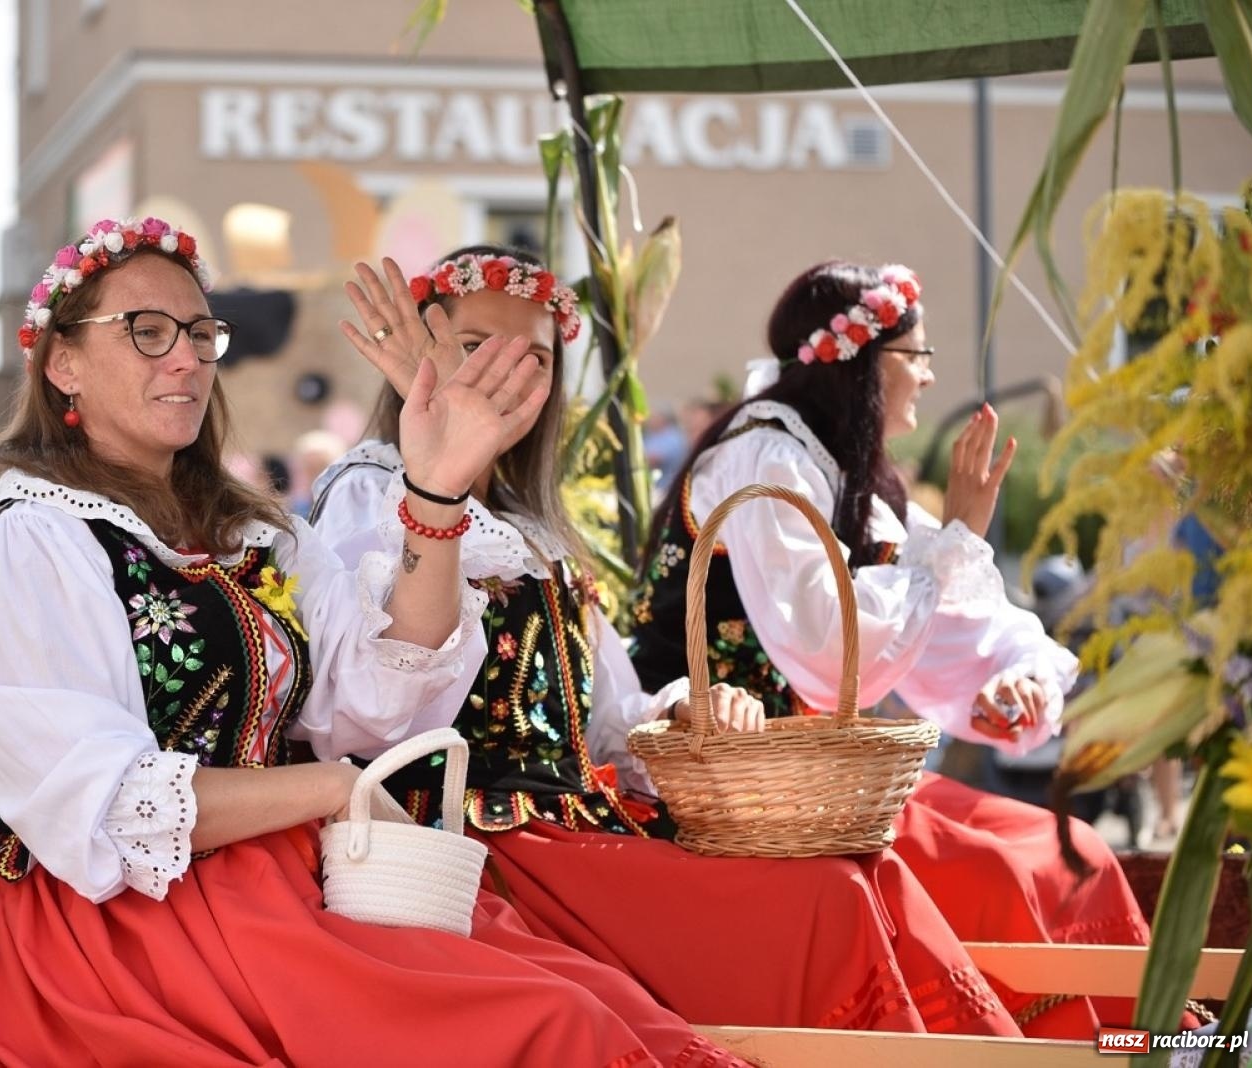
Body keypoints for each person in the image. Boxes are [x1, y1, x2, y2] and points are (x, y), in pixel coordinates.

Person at [0, 217, 736, 1068]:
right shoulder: (36, 540)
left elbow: (377, 698)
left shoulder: (251, 531)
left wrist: (434, 493)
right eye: (147, 332)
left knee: (610, 1005)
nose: (187, 359)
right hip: (125, 919)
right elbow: (103, 807)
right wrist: (326, 787)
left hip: (269, 873)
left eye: (202, 333)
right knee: (546, 1023)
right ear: (63, 361)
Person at [313, 246, 1022, 1037]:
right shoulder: (373, 492)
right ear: (418, 351)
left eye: (536, 358)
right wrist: (441, 477)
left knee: (854, 879)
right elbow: (374, 718)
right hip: (478, 847)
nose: (505, 376)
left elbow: (610, 718)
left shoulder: (532, 525)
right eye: (476, 348)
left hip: (576, 827)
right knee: (823, 902)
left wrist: (688, 709)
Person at [628, 260, 1153, 1037]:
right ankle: (1079, 1048)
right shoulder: (765, 458)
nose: (927, 377)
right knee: (1008, 868)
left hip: (820, 783)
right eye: (917, 356)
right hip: (730, 787)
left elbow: (935, 619)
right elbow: (828, 644)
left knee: (1067, 849)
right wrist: (964, 537)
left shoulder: (839, 473)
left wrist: (1013, 680)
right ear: (862, 364)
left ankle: (1135, 1046)